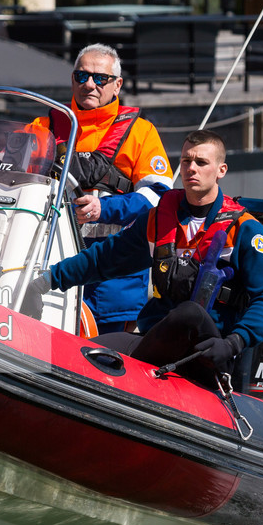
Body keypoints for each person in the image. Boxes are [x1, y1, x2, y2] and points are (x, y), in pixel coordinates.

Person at [46, 129, 263, 380]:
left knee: (190, 313)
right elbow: (104, 258)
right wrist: (49, 279)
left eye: (201, 162)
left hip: (208, 352)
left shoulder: (244, 229)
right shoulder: (159, 219)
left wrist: (234, 343)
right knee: (80, 353)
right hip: (156, 339)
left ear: (221, 170)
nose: (192, 168)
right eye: (186, 161)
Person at [30, 43, 172, 332]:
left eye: (100, 78)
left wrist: (103, 208)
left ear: (117, 85)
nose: (90, 84)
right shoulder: (42, 127)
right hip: (50, 264)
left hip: (114, 275)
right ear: (72, 79)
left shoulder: (141, 133)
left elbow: (158, 197)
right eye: (82, 76)